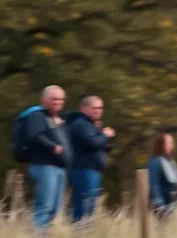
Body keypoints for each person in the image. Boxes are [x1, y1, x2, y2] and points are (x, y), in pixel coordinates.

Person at [19, 86, 70, 229]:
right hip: (44, 165)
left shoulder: (55, 119)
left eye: (60, 99)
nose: (58, 102)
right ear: (43, 100)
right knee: (45, 205)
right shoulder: (37, 115)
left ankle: (42, 234)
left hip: (58, 167)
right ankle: (36, 237)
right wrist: (53, 146)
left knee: (54, 208)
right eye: (54, 99)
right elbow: (35, 136)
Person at [68, 95, 115, 222]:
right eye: (94, 108)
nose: (98, 111)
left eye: (100, 108)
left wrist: (106, 138)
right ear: (83, 108)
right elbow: (93, 143)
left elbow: (104, 147)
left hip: (93, 170)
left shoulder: (92, 125)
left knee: (90, 207)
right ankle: (79, 234)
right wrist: (105, 135)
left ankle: (85, 234)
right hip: (84, 169)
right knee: (84, 205)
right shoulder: (81, 124)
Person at [148, 133, 177, 216]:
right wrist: (159, 204)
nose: (170, 145)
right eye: (168, 143)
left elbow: (175, 183)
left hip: (172, 205)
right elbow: (154, 184)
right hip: (162, 206)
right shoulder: (155, 162)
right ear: (161, 145)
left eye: (171, 143)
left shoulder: (171, 161)